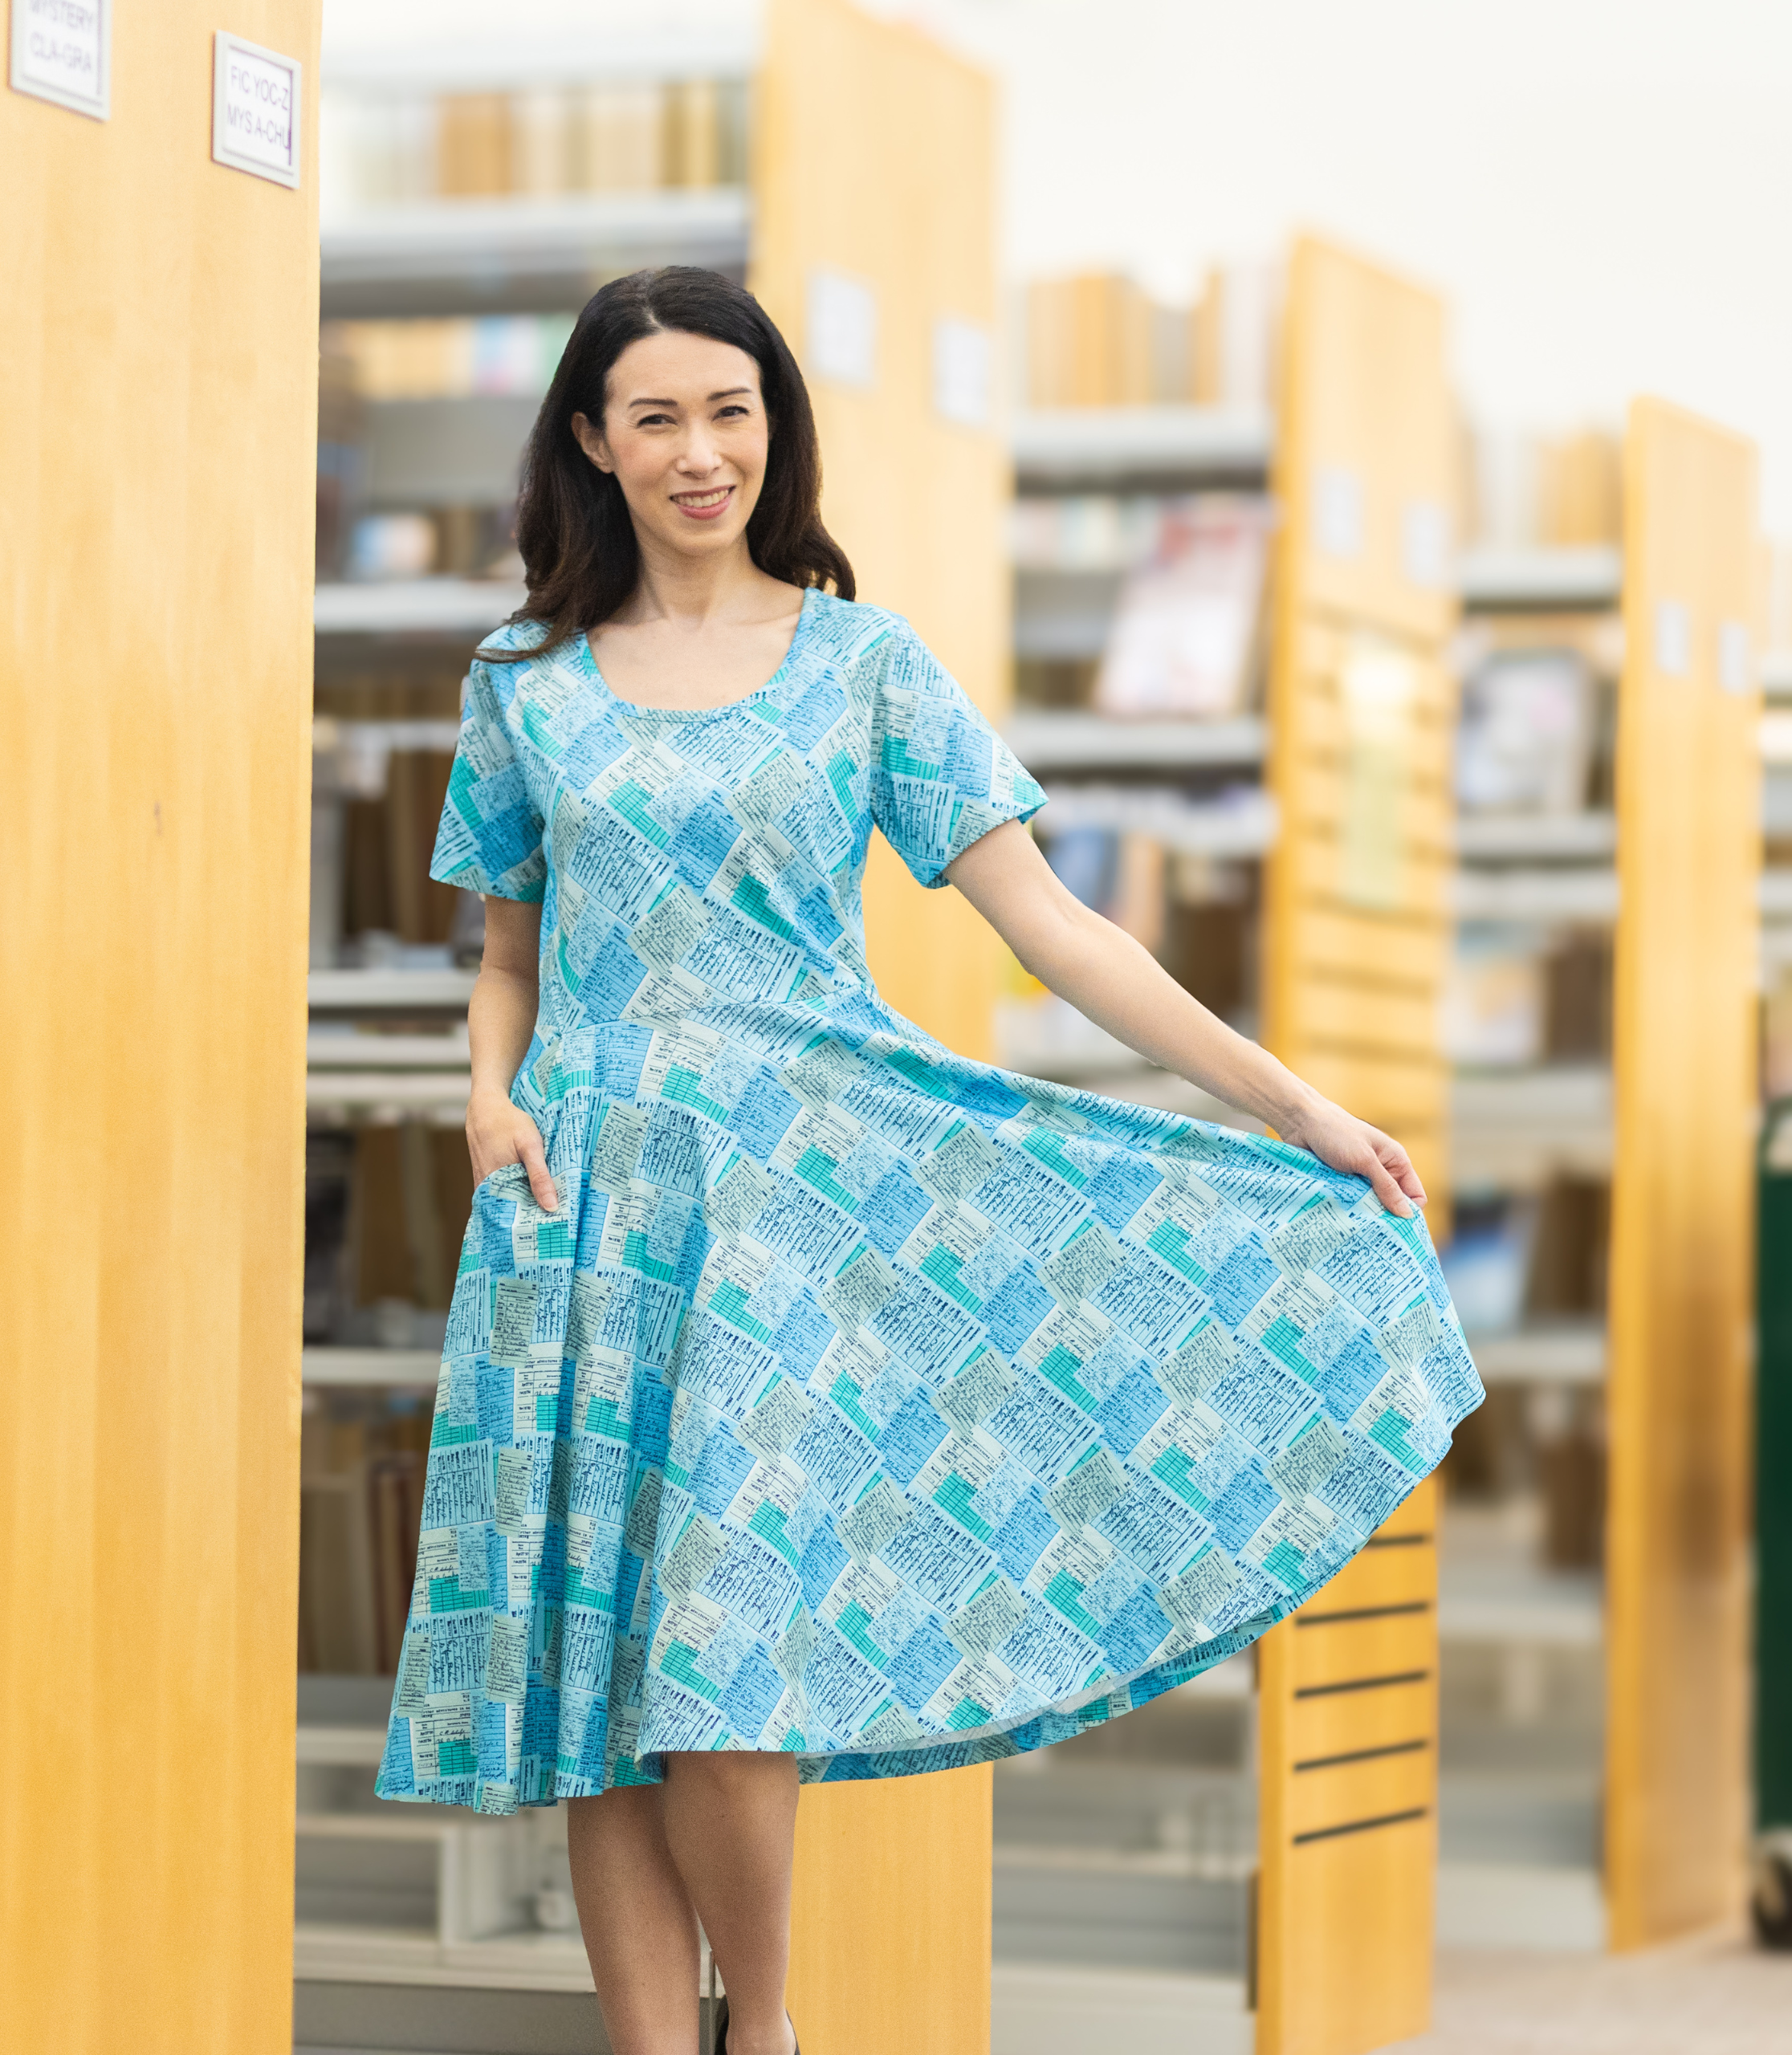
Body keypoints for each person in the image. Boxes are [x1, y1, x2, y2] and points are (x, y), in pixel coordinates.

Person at [376, 266, 1482, 2055]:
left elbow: (1052, 927)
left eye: (729, 410)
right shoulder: (523, 682)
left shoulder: (859, 662)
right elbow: (503, 956)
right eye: (653, 414)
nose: (697, 449)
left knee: (729, 1669)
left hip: (795, 1201)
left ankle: (773, 2022)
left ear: (772, 430)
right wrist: (485, 1094)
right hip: (579, 1202)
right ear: (588, 437)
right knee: (600, 1679)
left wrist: (1293, 1107)